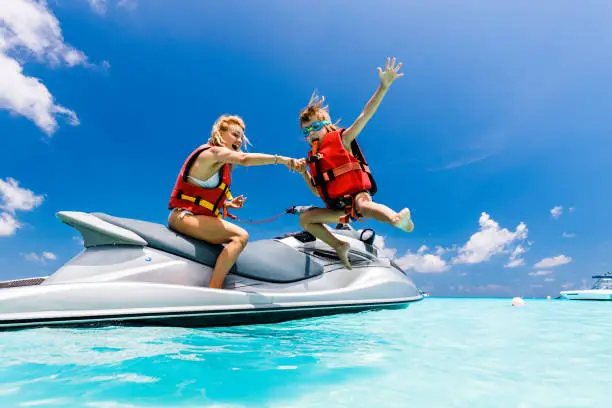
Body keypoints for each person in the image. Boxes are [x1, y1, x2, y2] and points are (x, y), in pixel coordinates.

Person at [295, 57, 414, 270]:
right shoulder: (314, 158)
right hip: (338, 209)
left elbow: (365, 115)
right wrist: (304, 172)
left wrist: (383, 87)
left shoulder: (343, 139)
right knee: (305, 219)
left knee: (364, 207)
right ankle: (339, 245)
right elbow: (316, 192)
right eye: (305, 131)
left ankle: (396, 219)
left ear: (327, 125)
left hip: (357, 196)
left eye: (315, 127)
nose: (310, 132)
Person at [168, 114, 301, 289]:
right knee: (240, 236)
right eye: (235, 134)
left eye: (241, 137)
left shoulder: (219, 164)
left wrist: (227, 204)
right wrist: (282, 160)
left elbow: (200, 196)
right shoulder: (213, 152)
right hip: (183, 217)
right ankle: (215, 289)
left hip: (193, 216)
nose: (239, 141)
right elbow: (244, 159)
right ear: (220, 133)